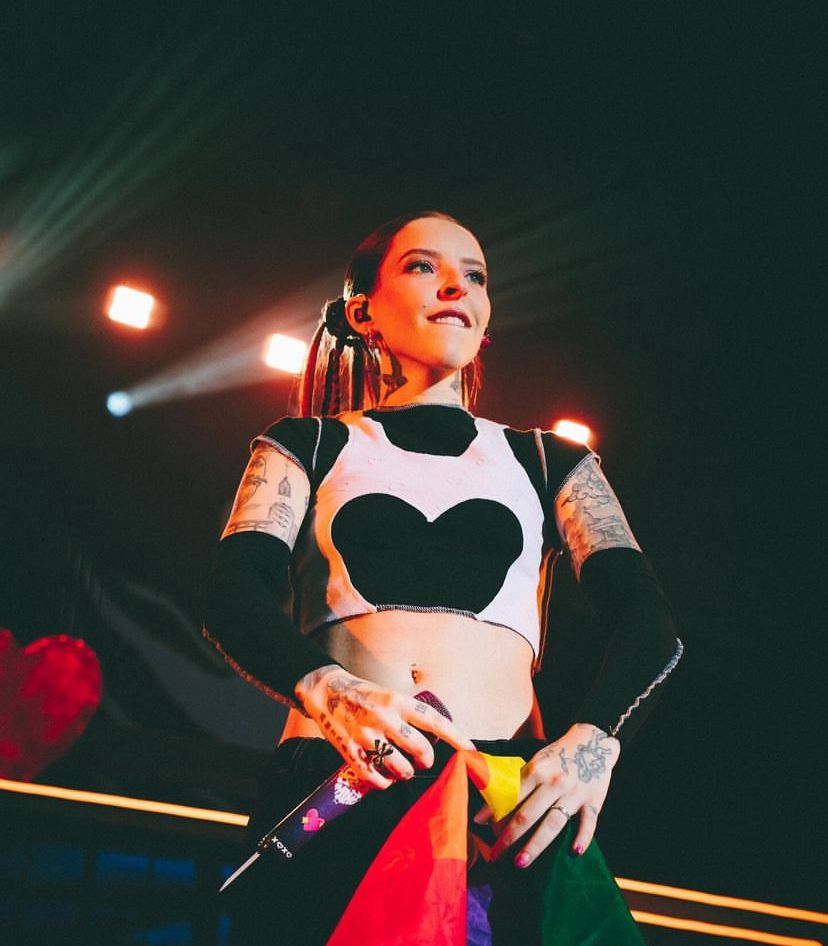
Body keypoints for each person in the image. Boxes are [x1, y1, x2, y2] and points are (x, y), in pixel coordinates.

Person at [203, 211, 683, 944]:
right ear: (363, 311)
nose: (456, 285)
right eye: (423, 266)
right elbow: (232, 594)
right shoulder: (304, 445)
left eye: (476, 275)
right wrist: (330, 690)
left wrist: (593, 744)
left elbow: (647, 624)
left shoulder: (552, 461)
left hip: (499, 801)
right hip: (339, 782)